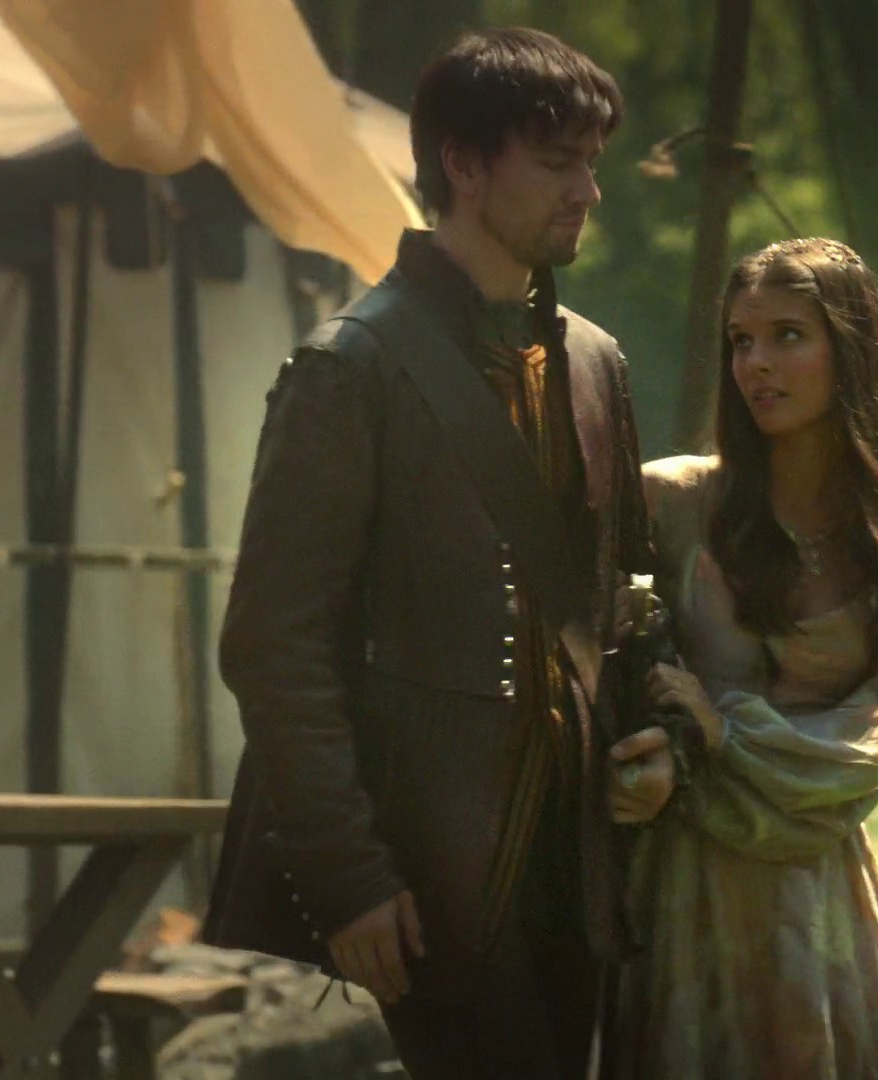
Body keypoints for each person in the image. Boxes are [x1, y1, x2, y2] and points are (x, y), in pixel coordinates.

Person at [201, 29, 675, 1079]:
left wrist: (654, 737)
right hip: (434, 872)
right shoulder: (350, 371)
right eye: (556, 161)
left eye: (593, 161)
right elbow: (275, 649)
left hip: (581, 867)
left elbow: (623, 600)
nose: (588, 191)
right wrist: (349, 876)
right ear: (463, 163)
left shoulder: (595, 361)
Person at [613, 237, 878, 1077]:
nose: (756, 364)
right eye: (741, 341)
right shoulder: (673, 504)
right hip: (679, 884)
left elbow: (872, 747)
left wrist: (722, 732)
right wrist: (659, 745)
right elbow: (592, 663)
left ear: (853, 351)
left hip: (817, 894)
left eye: (788, 336)